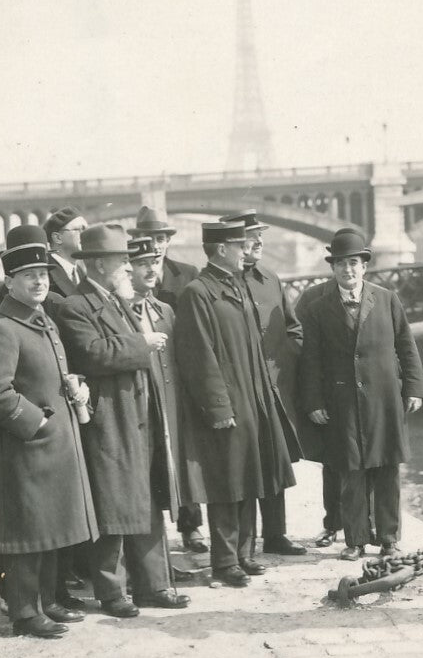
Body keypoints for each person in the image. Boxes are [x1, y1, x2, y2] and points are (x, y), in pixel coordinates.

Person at [55, 225, 189, 616]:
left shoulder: (116, 301)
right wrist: (141, 343)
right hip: (110, 420)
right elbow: (92, 353)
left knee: (146, 499)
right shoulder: (75, 306)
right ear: (99, 264)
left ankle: (153, 585)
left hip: (139, 416)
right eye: (122, 261)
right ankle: (112, 592)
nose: (129, 268)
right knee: (112, 506)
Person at [0, 227, 99, 638]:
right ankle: (25, 612)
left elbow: (49, 374)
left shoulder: (42, 320)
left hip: (52, 448)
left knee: (49, 528)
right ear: (9, 281)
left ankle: (47, 601)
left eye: (43, 274)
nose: (39, 281)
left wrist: (75, 383)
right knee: (27, 533)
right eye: (29, 275)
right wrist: (37, 424)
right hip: (25, 449)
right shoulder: (1, 327)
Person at [171, 221, 300, 587]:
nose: (246, 250)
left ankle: (244, 553)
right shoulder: (199, 293)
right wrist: (218, 407)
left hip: (252, 397)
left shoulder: (235, 285)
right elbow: (199, 356)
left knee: (249, 475)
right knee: (226, 481)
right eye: (239, 245)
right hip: (228, 401)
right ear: (221, 249)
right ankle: (225, 561)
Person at [298, 229, 423, 560]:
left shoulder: (387, 299)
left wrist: (414, 388)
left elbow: (406, 346)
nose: (348, 270)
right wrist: (314, 402)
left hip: (384, 400)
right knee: (350, 471)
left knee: (387, 469)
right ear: (333, 268)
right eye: (341, 264)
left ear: (364, 266)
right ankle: (355, 540)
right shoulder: (318, 308)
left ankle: (389, 538)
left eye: (353, 263)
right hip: (343, 403)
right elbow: (310, 360)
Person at [222, 208, 307, 557]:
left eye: (260, 235)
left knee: (274, 459)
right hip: (240, 389)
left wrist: (284, 362)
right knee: (245, 465)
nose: (258, 241)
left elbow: (293, 328)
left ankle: (276, 535)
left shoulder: (269, 278)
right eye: (250, 236)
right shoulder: (221, 283)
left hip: (273, 388)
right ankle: (243, 544)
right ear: (231, 243)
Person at [129, 205, 206, 554]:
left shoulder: (186, 274)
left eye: (161, 238)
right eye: (150, 238)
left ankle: (191, 526)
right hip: (145, 373)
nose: (157, 245)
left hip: (175, 370)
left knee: (183, 455)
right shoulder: (129, 281)